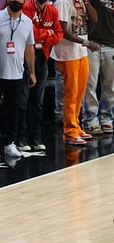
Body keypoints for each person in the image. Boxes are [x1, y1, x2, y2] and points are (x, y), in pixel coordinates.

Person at [0, 0, 37, 159]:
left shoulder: (27, 22)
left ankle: (10, 142)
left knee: (14, 109)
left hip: (17, 73)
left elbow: (29, 47)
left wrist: (32, 72)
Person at [51, 0, 99, 145]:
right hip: (66, 54)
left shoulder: (81, 1)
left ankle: (76, 126)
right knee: (71, 93)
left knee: (80, 93)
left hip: (81, 53)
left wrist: (87, 3)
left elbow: (95, 19)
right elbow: (62, 29)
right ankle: (69, 131)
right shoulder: (62, 2)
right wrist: (86, 43)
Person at [18, 0, 63, 151]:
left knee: (38, 100)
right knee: (23, 99)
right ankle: (21, 138)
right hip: (24, 57)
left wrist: (42, 36)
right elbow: (28, 34)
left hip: (43, 58)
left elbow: (59, 34)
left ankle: (36, 137)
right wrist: (46, 33)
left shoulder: (52, 10)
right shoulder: (26, 7)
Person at [82, 0, 114, 135]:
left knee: (110, 86)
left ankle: (107, 118)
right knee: (90, 85)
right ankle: (90, 120)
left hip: (112, 44)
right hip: (92, 43)